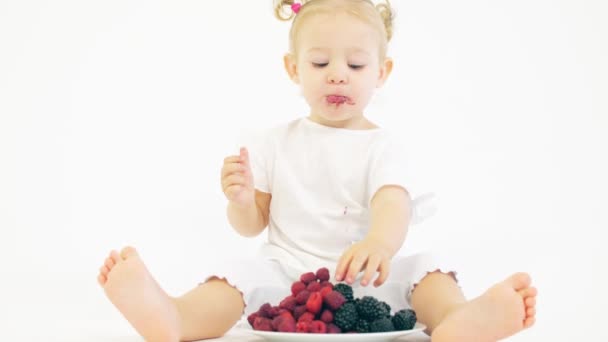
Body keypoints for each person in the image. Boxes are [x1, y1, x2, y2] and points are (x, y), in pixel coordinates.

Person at [97, 0, 537, 341]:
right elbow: (252, 227)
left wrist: (379, 244)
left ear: (381, 73)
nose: (338, 76)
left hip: (369, 275)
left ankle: (458, 321)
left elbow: (392, 204)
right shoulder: (272, 142)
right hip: (286, 273)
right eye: (321, 63)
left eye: (356, 65)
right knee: (234, 276)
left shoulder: (383, 146)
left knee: (430, 271)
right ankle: (175, 317)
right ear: (294, 69)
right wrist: (244, 200)